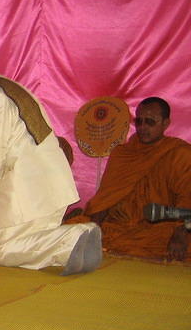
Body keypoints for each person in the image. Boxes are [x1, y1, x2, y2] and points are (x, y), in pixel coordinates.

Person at [0, 41, 100, 274]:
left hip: (27, 186)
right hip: (43, 183)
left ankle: (73, 237)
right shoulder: (6, 87)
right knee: (28, 239)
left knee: (0, 249)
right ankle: (69, 247)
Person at [78, 97, 190, 261]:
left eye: (150, 122)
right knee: (74, 230)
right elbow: (105, 198)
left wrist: (181, 233)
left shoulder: (181, 154)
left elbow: (187, 199)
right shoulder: (122, 153)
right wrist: (93, 229)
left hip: (160, 228)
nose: (143, 127)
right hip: (117, 226)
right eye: (139, 121)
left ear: (166, 124)